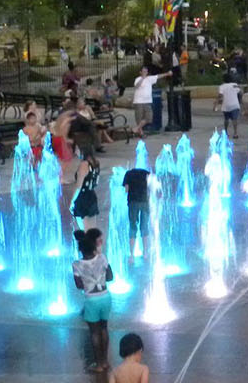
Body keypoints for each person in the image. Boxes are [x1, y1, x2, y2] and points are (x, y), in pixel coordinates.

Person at [71, 228, 113, 373]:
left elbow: (78, 285)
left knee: (94, 332)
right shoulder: (102, 258)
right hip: (106, 297)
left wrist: (87, 281)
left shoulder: (77, 264)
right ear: (94, 246)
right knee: (104, 328)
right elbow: (110, 277)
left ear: (81, 249)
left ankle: (99, 364)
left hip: (91, 300)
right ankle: (106, 361)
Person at [130, 66, 170, 139]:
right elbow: (137, 86)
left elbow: (158, 76)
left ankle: (136, 129)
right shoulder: (138, 79)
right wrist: (142, 78)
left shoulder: (150, 79)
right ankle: (141, 133)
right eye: (144, 71)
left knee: (149, 118)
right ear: (140, 72)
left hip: (147, 101)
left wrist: (167, 74)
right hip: (139, 102)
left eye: (146, 71)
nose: (145, 72)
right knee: (139, 118)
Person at [122, 167, 150, 258]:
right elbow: (151, 187)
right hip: (145, 202)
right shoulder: (146, 173)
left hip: (133, 202)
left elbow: (126, 189)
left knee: (133, 227)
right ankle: (145, 252)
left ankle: (132, 255)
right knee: (144, 226)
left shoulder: (128, 174)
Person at [71, 148, 102, 230]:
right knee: (92, 229)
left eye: (77, 149)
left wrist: (72, 201)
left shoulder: (84, 164)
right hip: (92, 196)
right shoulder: (95, 164)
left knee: (85, 229)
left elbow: (79, 186)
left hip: (83, 198)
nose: (75, 151)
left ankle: (87, 242)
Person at [215, 74, 243, 139]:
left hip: (226, 105)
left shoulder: (222, 86)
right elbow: (240, 92)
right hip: (235, 105)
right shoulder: (235, 85)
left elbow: (220, 95)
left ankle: (226, 132)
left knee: (226, 119)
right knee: (235, 119)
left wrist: (216, 103)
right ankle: (235, 133)